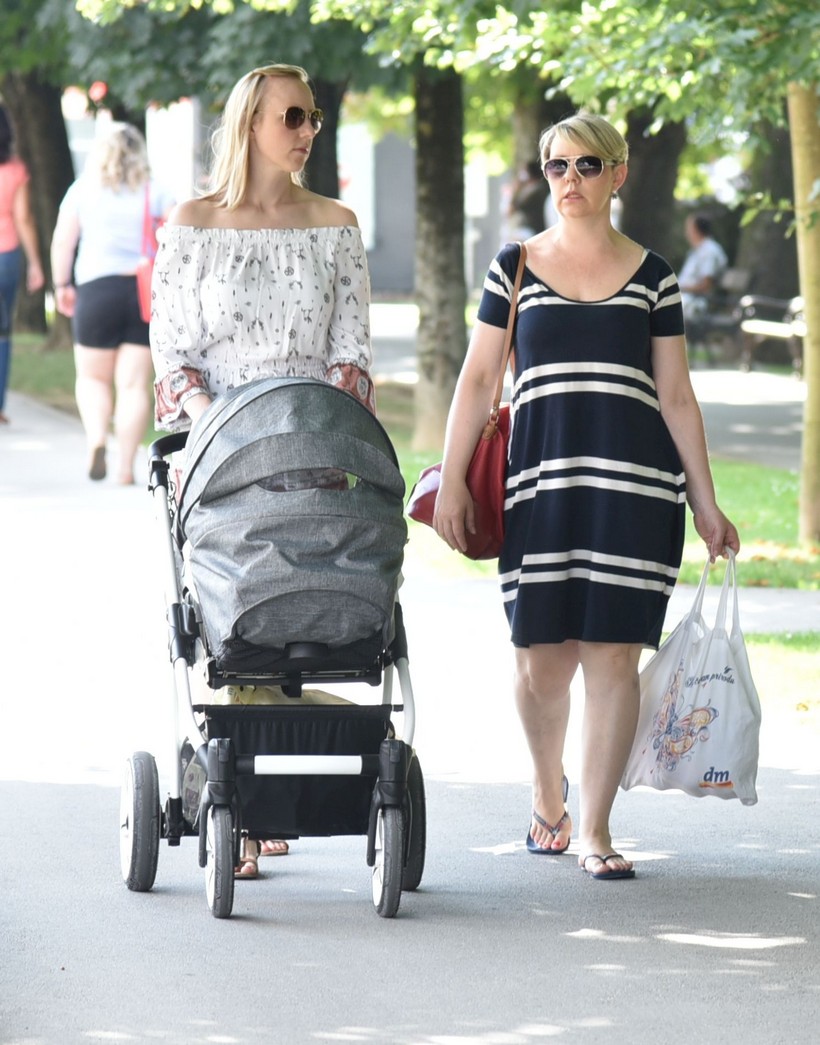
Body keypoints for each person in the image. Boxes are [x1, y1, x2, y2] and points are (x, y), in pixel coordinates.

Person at [433, 111, 739, 881]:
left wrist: (704, 503)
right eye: (557, 166)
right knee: (541, 663)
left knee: (612, 657)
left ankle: (596, 828)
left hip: (635, 493)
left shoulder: (654, 275)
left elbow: (676, 395)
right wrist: (452, 479)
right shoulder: (515, 267)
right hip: (540, 491)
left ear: (618, 174)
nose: (570, 179)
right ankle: (549, 790)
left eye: (587, 165)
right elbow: (478, 377)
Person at [149, 64, 375, 879]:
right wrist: (222, 430)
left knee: (308, 611)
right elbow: (173, 352)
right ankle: (239, 794)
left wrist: (316, 435)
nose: (307, 130)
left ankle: (281, 772)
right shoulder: (193, 224)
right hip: (219, 452)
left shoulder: (335, 225)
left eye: (312, 117)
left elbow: (350, 354)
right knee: (232, 620)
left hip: (314, 448)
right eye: (292, 117)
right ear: (250, 123)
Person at [50, 122, 174, 484]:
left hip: (96, 292)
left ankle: (97, 440)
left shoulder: (81, 191)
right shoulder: (157, 190)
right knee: (133, 386)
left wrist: (62, 284)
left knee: (92, 378)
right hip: (142, 294)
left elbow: (63, 242)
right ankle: (124, 469)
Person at [0, 105, 45, 424]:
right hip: (7, 255)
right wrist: (36, 264)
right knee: (3, 331)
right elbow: (24, 218)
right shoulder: (15, 170)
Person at [677, 213, 728, 325]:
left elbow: (706, 286)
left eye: (689, 228)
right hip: (687, 298)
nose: (686, 233)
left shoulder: (710, 251)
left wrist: (680, 288)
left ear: (696, 230)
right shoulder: (697, 251)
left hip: (698, 302)